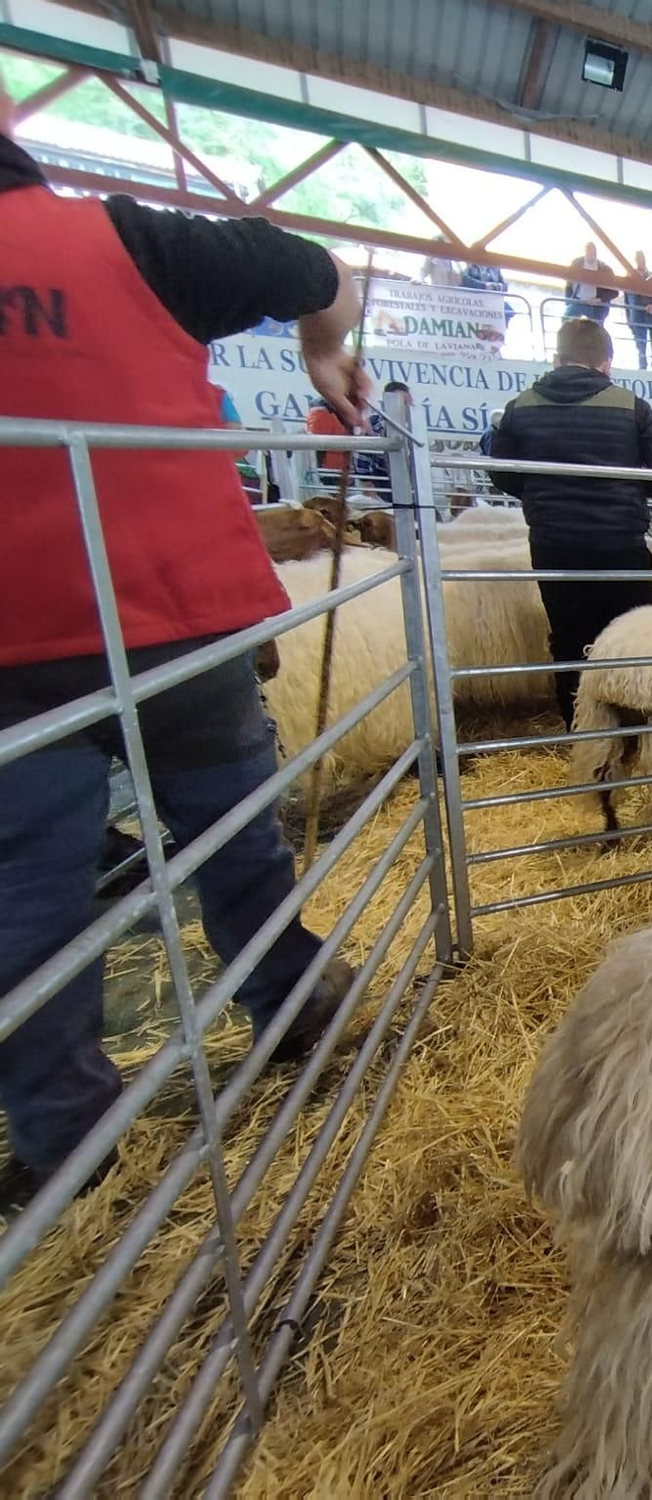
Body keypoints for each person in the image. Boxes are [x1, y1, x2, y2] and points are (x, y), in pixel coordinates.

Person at [0, 82, 363, 1195]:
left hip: (10, 647)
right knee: (238, 835)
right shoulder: (122, 238)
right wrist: (321, 351)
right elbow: (324, 274)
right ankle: (292, 1005)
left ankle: (69, 1136)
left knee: (27, 894)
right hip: (174, 609)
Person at [487, 318, 652, 726]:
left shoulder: (520, 406)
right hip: (619, 544)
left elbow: (501, 474)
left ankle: (581, 730)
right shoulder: (630, 405)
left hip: (554, 544)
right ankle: (630, 730)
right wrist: (625, 490)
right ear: (606, 363)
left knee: (569, 637)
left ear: (556, 359)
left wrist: (542, 494)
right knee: (628, 634)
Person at [624, 251, 652, 370]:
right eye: (637, 259)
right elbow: (627, 301)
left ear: (645, 259)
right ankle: (642, 367)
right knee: (640, 345)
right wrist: (628, 319)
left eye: (642, 258)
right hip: (637, 316)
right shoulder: (629, 279)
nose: (640, 261)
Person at [564, 242, 613, 324]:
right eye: (589, 252)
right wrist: (568, 299)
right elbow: (569, 281)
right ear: (585, 252)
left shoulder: (605, 269)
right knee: (566, 322)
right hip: (578, 301)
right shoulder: (576, 263)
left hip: (596, 306)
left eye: (594, 252)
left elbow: (614, 292)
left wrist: (600, 299)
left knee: (596, 329)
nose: (592, 254)